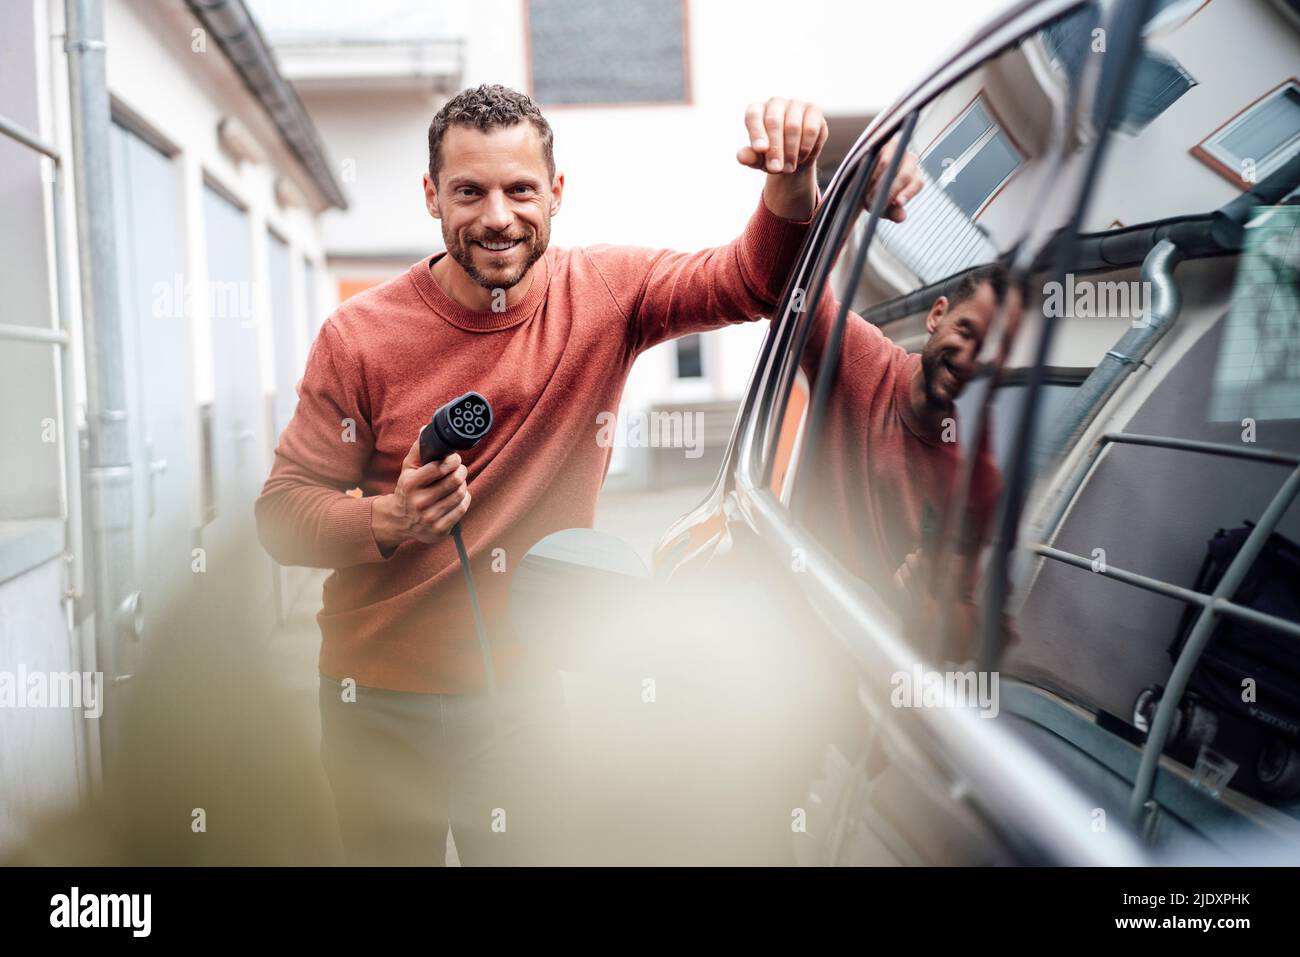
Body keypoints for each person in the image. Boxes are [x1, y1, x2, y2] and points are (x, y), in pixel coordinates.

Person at [254, 84, 922, 865]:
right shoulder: (359, 335)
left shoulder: (606, 294)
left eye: (520, 189)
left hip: (523, 703)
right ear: (432, 195)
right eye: (469, 190)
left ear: (556, 194)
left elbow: (755, 283)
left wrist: (791, 180)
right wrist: (386, 519)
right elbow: (280, 515)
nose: (498, 216)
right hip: (374, 701)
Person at [799, 265, 1010, 661]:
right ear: (936, 315)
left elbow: (959, 642)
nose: (967, 359)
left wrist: (928, 602)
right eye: (965, 331)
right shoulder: (856, 355)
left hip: (869, 660)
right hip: (795, 618)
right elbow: (790, 284)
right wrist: (845, 204)